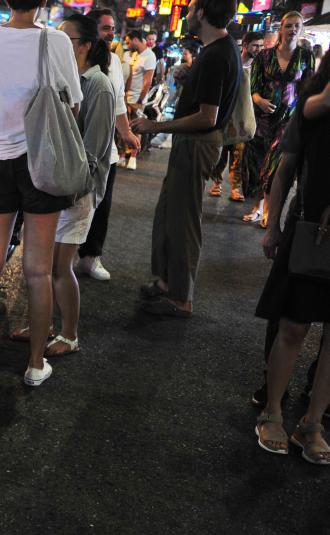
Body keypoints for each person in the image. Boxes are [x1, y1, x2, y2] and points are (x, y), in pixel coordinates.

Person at [0, 0, 83, 386]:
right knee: (38, 269)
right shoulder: (57, 42)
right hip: (41, 160)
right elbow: (74, 102)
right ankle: (35, 364)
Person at [131, 0, 242, 318]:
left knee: (184, 222)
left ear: (203, 13)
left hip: (198, 145)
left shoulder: (218, 54)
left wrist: (156, 125)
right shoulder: (216, 50)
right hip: (192, 145)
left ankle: (182, 298)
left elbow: (208, 117)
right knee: (169, 214)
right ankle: (168, 283)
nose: (188, 15)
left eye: (192, 10)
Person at [253, 54, 330, 465]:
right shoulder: (311, 104)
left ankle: (313, 423)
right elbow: (285, 169)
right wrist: (272, 225)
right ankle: (272, 411)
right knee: (294, 326)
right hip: (310, 228)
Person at [47, 14, 119, 360]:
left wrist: (75, 188)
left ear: (87, 45)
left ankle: (69, 334)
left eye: (68, 40)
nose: (61, 46)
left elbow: (95, 149)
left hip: (78, 190)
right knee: (46, 265)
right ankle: (43, 324)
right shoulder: (70, 78)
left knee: (61, 265)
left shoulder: (98, 85)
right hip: (59, 184)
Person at [77, 8, 142, 282]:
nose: (111, 33)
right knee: (71, 203)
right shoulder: (75, 59)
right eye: (105, 28)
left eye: (113, 28)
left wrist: (126, 133)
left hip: (106, 151)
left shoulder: (115, 61)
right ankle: (65, 257)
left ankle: (91, 258)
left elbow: (117, 103)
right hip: (75, 147)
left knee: (100, 205)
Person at [243, 12, 315, 228]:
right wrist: (260, 101)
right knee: (258, 164)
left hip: (289, 119)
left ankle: (267, 211)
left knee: (275, 167)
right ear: (281, 29)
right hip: (263, 118)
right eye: (289, 26)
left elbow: (308, 88)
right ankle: (257, 205)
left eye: (297, 26)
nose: (293, 30)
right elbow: (253, 89)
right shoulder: (264, 56)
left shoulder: (305, 56)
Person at [209, 31, 263, 202]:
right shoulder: (234, 63)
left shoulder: (258, 68)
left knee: (239, 155)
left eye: (261, 46)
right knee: (221, 152)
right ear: (245, 45)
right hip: (226, 115)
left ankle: (235, 188)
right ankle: (216, 183)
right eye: (255, 45)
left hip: (245, 117)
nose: (259, 49)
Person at [123, 30, 157, 170]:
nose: (128, 45)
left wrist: (140, 101)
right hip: (128, 97)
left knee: (136, 128)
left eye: (129, 42)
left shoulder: (149, 56)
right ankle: (124, 154)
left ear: (136, 39)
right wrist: (125, 94)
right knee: (125, 127)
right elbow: (130, 76)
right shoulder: (135, 55)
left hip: (138, 99)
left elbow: (147, 82)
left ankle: (133, 157)